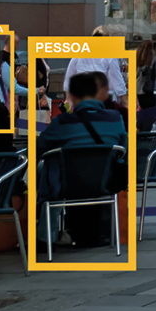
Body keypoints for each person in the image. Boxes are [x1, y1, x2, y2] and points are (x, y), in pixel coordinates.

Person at [38, 72, 129, 247]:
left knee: (48, 168)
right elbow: (125, 149)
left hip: (67, 186)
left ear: (72, 95)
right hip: (105, 183)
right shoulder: (114, 118)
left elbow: (39, 147)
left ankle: (45, 235)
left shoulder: (62, 122)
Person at [64, 27, 128, 105]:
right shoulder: (110, 57)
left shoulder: (79, 54)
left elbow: (69, 78)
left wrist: (68, 99)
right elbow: (116, 79)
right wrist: (125, 101)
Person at [134, 43, 156, 133]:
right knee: (150, 112)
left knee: (144, 109)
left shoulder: (137, 59)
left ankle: (140, 129)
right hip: (147, 89)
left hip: (139, 89)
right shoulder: (150, 61)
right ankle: (145, 132)